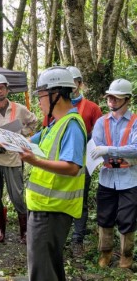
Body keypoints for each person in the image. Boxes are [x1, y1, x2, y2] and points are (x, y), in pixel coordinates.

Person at [20, 67, 87, 281]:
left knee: (41, 271)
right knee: (50, 266)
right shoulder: (53, 126)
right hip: (44, 207)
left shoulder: (72, 125)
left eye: (41, 95)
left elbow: (72, 167)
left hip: (52, 210)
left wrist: (35, 161)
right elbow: (24, 143)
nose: (39, 102)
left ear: (55, 94)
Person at [0, 74, 37, 244]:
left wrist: (21, 136)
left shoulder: (19, 109)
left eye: (2, 87)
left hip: (12, 157)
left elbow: (33, 122)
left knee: (17, 195)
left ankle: (24, 232)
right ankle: (0, 231)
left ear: (7, 89)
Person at [90, 78, 137, 269]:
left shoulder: (135, 122)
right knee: (105, 216)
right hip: (107, 178)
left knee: (128, 218)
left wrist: (109, 149)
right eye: (110, 98)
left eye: (116, 99)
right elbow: (96, 144)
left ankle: (126, 256)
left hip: (130, 178)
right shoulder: (102, 122)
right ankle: (105, 253)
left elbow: (135, 148)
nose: (112, 102)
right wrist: (113, 150)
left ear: (127, 100)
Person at [64, 66, 102, 254]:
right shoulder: (57, 106)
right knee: (62, 197)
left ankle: (77, 238)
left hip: (84, 160)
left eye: (74, 82)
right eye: (68, 83)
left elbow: (100, 135)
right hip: (62, 159)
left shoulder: (92, 108)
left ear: (80, 83)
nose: (72, 87)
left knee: (81, 198)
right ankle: (61, 234)